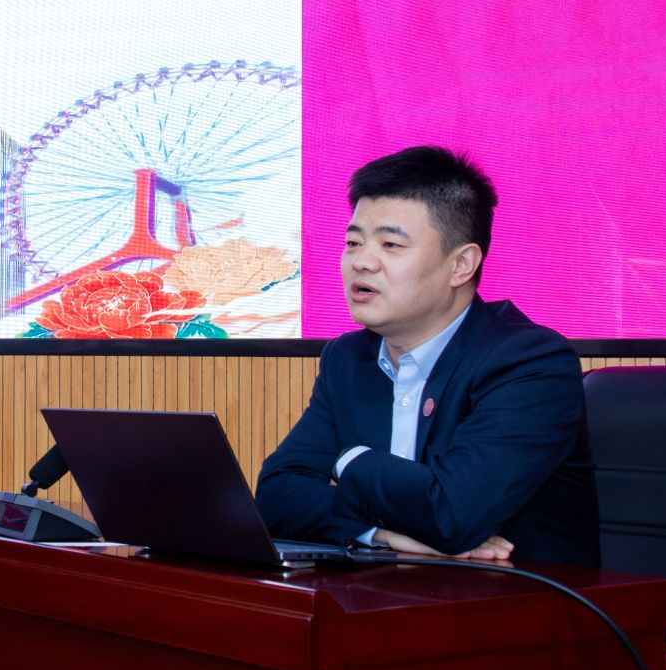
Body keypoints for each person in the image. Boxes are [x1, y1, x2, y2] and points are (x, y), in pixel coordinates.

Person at [256, 146, 599, 565]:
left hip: (514, 599)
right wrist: (381, 534)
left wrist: (347, 460)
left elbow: (450, 514)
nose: (361, 262)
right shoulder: (347, 359)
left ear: (461, 265)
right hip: (389, 593)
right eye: (353, 242)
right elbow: (276, 494)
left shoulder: (529, 362)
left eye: (391, 244)